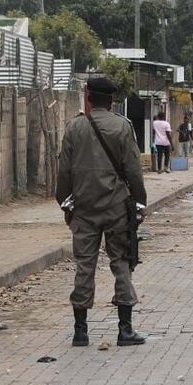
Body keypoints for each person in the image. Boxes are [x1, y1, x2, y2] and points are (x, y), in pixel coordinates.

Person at [56, 76, 147, 347]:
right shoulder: (122, 127)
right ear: (111, 101)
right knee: (121, 263)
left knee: (85, 266)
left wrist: (65, 202)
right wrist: (140, 203)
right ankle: (125, 330)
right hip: (117, 208)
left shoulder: (74, 128)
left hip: (83, 209)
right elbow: (133, 169)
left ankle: (81, 331)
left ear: (88, 97)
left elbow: (63, 172)